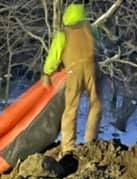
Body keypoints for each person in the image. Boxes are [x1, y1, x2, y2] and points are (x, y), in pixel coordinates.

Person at [42, 3, 101, 155]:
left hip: (73, 71)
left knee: (71, 108)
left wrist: (47, 72)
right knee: (95, 104)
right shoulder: (92, 30)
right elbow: (99, 47)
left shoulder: (64, 33)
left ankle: (68, 145)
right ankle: (91, 140)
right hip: (92, 69)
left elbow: (54, 55)